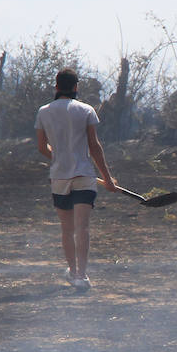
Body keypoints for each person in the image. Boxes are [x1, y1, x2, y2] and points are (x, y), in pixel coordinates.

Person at [35, 68, 118, 289]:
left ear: (56, 86)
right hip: (85, 176)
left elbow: (42, 147)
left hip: (59, 178)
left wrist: (60, 156)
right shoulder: (87, 110)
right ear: (75, 87)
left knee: (67, 228)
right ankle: (81, 275)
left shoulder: (43, 112)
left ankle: (73, 272)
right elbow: (95, 147)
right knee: (83, 228)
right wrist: (108, 179)